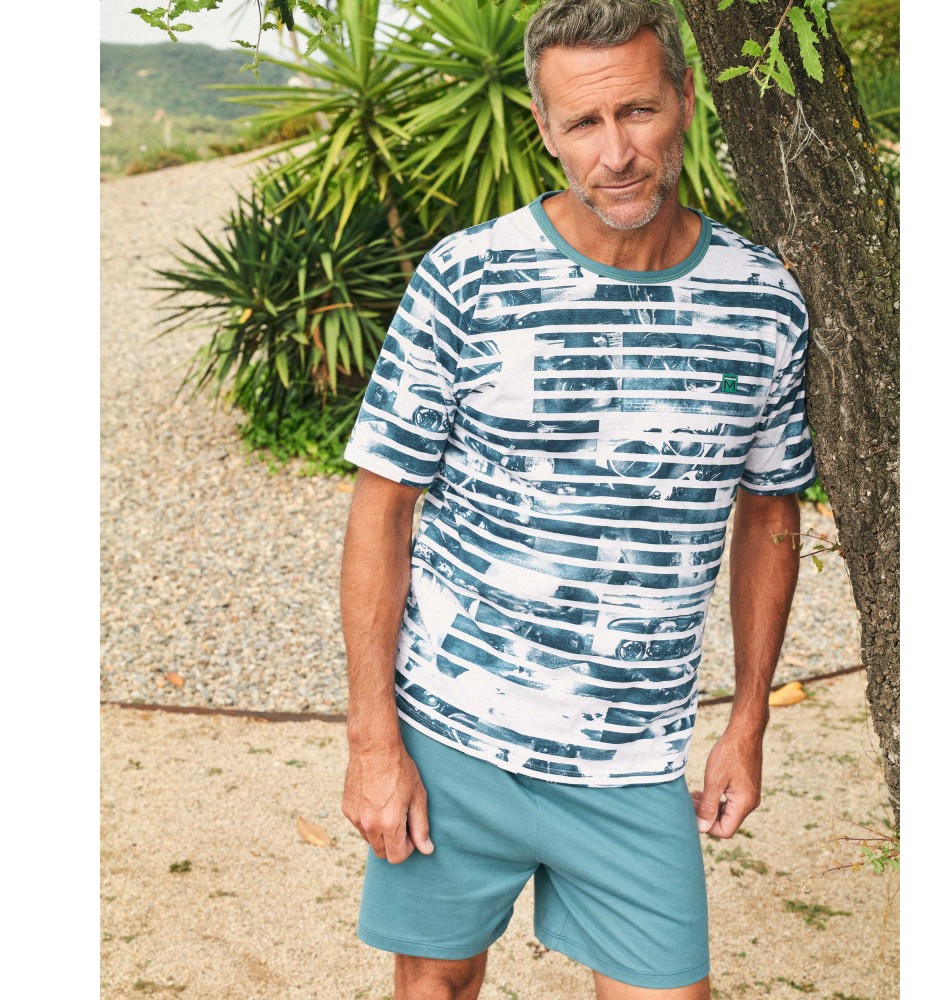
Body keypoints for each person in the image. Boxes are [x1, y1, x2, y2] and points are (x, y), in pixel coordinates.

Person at [339, 1, 817, 997]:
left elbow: (772, 514)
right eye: (584, 123)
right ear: (544, 128)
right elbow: (381, 508)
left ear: (684, 97)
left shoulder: (762, 298)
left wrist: (746, 724)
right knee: (434, 987)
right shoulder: (466, 279)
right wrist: (374, 740)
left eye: (637, 111)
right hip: (454, 735)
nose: (617, 154)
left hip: (635, 761)